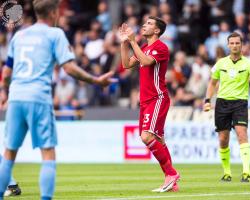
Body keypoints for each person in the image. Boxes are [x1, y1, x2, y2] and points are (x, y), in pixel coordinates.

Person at [0, 0, 116, 199]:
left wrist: (4, 90)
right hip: (39, 97)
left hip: (16, 97)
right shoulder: (55, 34)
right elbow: (69, 68)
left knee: (9, 154)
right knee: (47, 153)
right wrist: (95, 80)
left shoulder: (19, 35)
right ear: (54, 12)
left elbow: (7, 70)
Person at [119, 16, 180, 193]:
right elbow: (125, 64)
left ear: (157, 31)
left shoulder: (160, 47)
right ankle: (172, 182)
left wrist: (133, 41)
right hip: (146, 100)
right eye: (144, 22)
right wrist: (125, 43)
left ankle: (171, 173)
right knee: (159, 139)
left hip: (157, 98)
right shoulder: (144, 47)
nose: (144, 25)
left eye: (149, 24)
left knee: (146, 137)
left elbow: (145, 61)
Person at [203, 32, 250, 183]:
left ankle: (246, 172)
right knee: (223, 139)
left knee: (242, 134)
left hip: (240, 103)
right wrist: (207, 100)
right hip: (222, 103)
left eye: (237, 43)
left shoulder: (248, 63)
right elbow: (212, 83)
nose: (234, 46)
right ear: (228, 45)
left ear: (242, 45)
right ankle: (227, 173)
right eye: (232, 43)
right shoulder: (221, 63)